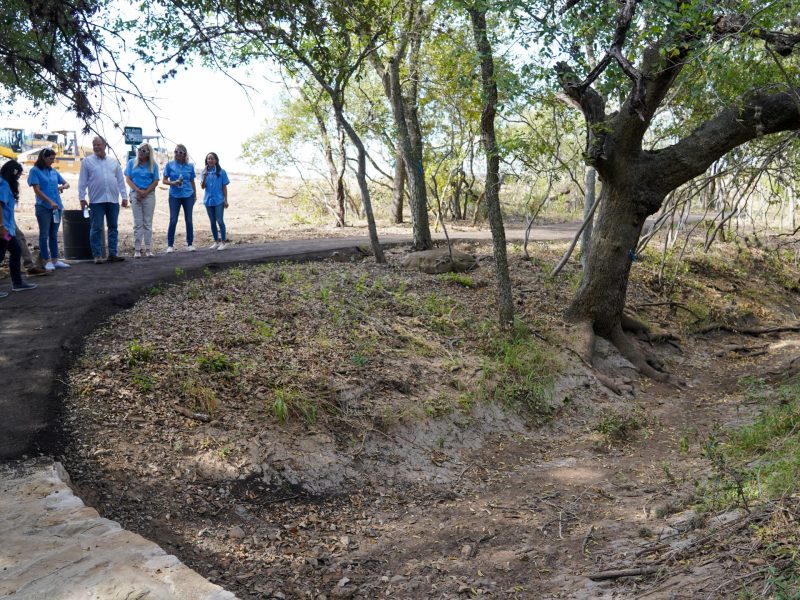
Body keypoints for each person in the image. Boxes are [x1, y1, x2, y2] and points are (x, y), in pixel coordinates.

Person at [78, 136, 128, 264]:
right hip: (96, 201)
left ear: (105, 145)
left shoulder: (113, 162)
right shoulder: (87, 162)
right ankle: (97, 255)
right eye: (94, 145)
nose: (96, 147)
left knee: (113, 227)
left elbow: (120, 181)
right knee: (96, 228)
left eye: (98, 144)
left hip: (113, 200)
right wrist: (82, 198)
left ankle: (112, 254)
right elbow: (82, 182)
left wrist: (124, 196)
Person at [27, 148, 70, 271]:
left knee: (53, 235)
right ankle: (46, 261)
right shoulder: (35, 171)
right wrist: (50, 201)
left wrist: (62, 186)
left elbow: (67, 183)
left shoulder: (53, 171)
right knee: (44, 234)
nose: (52, 161)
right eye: (50, 159)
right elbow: (37, 190)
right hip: (44, 208)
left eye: (53, 159)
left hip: (57, 208)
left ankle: (55, 260)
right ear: (43, 157)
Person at [0, 160, 37, 296]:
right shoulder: (3, 185)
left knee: (15, 250)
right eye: (18, 175)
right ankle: (17, 282)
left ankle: (17, 283)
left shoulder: (5, 184)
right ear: (13, 173)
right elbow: (0, 206)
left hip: (7, 229)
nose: (18, 178)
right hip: (3, 230)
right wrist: (1, 226)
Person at [125, 142, 159, 258]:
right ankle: (137, 249)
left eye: (144, 150)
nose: (140, 152)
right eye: (139, 149)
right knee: (137, 223)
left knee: (147, 223)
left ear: (149, 153)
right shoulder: (131, 163)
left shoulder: (153, 164)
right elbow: (128, 179)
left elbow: (155, 181)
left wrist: (146, 192)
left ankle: (148, 248)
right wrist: (137, 191)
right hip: (136, 194)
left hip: (149, 195)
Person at [163, 144, 197, 252]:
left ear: (185, 155)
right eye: (176, 151)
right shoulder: (169, 165)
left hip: (188, 195)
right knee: (173, 220)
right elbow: (164, 180)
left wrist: (195, 195)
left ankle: (190, 244)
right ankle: (170, 245)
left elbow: (192, 181)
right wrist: (173, 182)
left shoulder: (190, 166)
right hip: (174, 196)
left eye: (181, 152)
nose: (178, 154)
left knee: (189, 220)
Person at [201, 152, 230, 250]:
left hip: (219, 200)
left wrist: (226, 200)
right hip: (208, 201)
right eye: (208, 159)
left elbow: (224, 187)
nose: (210, 160)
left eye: (212, 158)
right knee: (212, 222)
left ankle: (223, 242)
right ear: (206, 161)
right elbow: (202, 186)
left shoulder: (222, 172)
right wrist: (205, 175)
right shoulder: (204, 172)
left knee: (220, 220)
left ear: (216, 160)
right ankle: (216, 241)